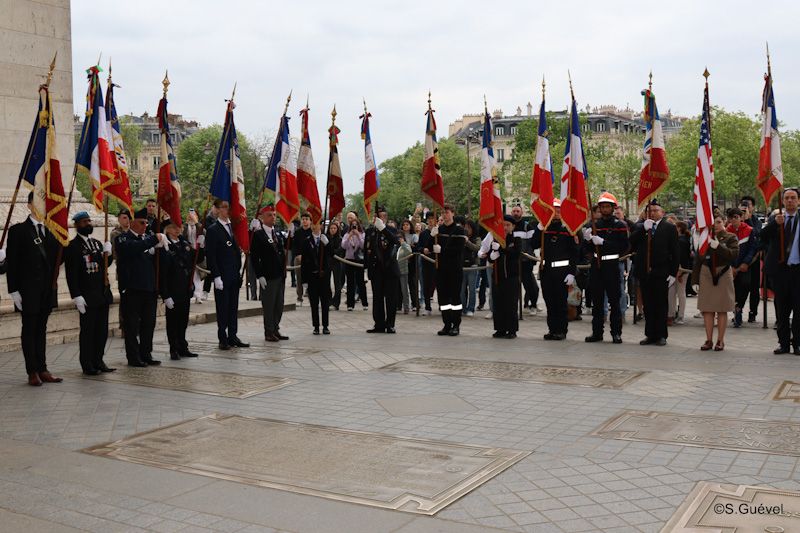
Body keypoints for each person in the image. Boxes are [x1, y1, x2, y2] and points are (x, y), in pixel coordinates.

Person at [7, 192, 64, 386]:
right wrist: (13, 290)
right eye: (38, 203)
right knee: (29, 329)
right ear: (29, 205)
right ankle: (32, 371)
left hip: (46, 290)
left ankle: (43, 368)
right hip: (27, 290)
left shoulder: (53, 231)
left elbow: (57, 260)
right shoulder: (18, 231)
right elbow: (12, 264)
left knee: (41, 329)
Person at [65, 211, 114, 375]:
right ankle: (87, 364)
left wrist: (109, 254)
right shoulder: (72, 246)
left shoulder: (97, 243)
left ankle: (98, 360)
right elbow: (71, 274)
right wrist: (76, 295)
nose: (88, 224)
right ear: (76, 225)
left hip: (102, 294)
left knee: (101, 331)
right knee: (88, 332)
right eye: (84, 222)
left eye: (89, 221)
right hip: (87, 296)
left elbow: (104, 266)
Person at [115, 208, 165, 367]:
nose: (145, 225)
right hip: (132, 289)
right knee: (131, 325)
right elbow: (132, 248)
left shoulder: (147, 239)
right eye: (142, 222)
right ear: (132, 222)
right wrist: (153, 240)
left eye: (147, 223)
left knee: (148, 324)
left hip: (149, 289)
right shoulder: (123, 238)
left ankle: (146, 353)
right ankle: (133, 356)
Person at [630, 200, 679, 346]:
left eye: (655, 210)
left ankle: (661, 335)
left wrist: (673, 273)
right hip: (645, 271)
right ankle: (650, 334)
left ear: (662, 213)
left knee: (661, 304)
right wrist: (643, 229)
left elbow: (675, 252)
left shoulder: (669, 228)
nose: (652, 213)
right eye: (649, 210)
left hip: (661, 271)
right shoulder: (641, 227)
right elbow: (631, 242)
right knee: (648, 304)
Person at [583, 192, 629, 344]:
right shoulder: (594, 225)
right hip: (597, 266)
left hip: (612, 265)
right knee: (597, 301)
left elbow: (623, 247)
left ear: (613, 208)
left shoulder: (619, 226)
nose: (604, 209)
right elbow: (585, 249)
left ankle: (616, 333)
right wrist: (588, 240)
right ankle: (597, 332)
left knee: (614, 301)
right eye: (602, 207)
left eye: (607, 206)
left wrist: (604, 243)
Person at [532, 198, 580, 340]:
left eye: (558, 210)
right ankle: (552, 329)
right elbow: (533, 244)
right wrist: (539, 228)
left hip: (562, 272)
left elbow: (574, 253)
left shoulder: (568, 230)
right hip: (546, 271)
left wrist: (572, 272)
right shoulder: (544, 229)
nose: (556, 213)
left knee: (560, 303)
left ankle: (561, 330)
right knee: (549, 301)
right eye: (553, 210)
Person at [205, 199, 249, 350]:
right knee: (222, 308)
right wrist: (216, 276)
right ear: (216, 210)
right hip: (222, 276)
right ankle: (222, 338)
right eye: (223, 207)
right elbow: (211, 256)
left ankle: (233, 335)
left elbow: (235, 252)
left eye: (227, 207)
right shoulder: (213, 230)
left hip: (233, 275)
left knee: (232, 307)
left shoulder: (232, 228)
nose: (226, 210)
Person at [761, 188, 800, 354]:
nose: (790, 201)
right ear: (783, 201)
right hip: (780, 272)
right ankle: (783, 343)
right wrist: (774, 224)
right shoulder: (776, 219)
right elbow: (761, 236)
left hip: (798, 271)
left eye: (793, 198)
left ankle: (797, 343)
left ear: (798, 201)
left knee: (798, 310)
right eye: (787, 198)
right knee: (781, 309)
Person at [692, 215, 738, 351]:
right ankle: (708, 339)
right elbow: (698, 260)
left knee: (722, 308)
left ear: (724, 222)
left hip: (723, 273)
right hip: (706, 273)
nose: (716, 225)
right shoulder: (704, 238)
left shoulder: (731, 237)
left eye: (719, 222)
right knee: (707, 308)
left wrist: (718, 247)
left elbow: (733, 254)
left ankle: (720, 340)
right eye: (713, 222)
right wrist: (694, 280)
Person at [159, 221, 201, 360]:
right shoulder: (165, 245)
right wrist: (165, 295)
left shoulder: (184, 243)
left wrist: (202, 246)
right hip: (172, 290)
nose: (178, 230)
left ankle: (183, 346)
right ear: (168, 229)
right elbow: (162, 273)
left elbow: (197, 258)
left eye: (179, 227)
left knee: (183, 321)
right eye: (174, 227)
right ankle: (174, 349)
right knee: (173, 322)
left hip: (185, 289)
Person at [251, 205, 289, 342]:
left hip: (280, 275)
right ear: (262, 217)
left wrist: (292, 235)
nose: (273, 217)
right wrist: (259, 275)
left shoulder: (277, 233)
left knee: (279, 304)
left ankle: (276, 329)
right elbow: (254, 257)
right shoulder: (258, 235)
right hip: (268, 276)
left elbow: (283, 251)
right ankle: (268, 332)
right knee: (269, 305)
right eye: (269, 215)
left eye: (274, 215)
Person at [482, 216, 520, 339]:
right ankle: (500, 328)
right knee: (498, 304)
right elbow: (488, 256)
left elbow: (515, 253)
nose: (505, 227)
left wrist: (502, 249)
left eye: (508, 225)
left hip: (511, 277)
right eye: (503, 224)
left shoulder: (516, 239)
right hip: (498, 276)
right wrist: (490, 256)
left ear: (513, 226)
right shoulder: (496, 239)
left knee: (510, 304)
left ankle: (512, 329)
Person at [432, 204, 466, 336]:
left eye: (446, 212)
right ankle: (446, 324)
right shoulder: (438, 230)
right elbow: (429, 247)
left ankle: (456, 325)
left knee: (455, 299)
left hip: (454, 269)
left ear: (452, 213)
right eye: (442, 213)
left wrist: (443, 250)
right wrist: (432, 235)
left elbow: (459, 249)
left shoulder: (459, 230)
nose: (444, 215)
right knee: (443, 299)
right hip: (441, 270)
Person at [365, 206, 400, 333]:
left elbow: (395, 241)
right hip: (376, 269)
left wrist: (383, 229)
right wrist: (367, 269)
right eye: (377, 216)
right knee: (377, 298)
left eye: (382, 216)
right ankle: (378, 324)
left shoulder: (392, 230)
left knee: (391, 298)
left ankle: (390, 324)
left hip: (390, 269)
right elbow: (367, 250)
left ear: (385, 217)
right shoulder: (370, 231)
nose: (380, 218)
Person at [301, 221, 334, 334]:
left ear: (320, 225)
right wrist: (304, 280)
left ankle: (325, 326)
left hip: (323, 276)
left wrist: (327, 244)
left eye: (317, 224)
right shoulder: (306, 241)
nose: (315, 226)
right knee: (314, 303)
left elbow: (332, 254)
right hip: (312, 276)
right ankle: (316, 326)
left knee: (325, 302)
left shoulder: (326, 239)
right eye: (313, 224)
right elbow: (304, 263)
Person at [726, 207, 755, 328]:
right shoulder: (726, 231)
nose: (733, 220)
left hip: (744, 266)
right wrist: (731, 266)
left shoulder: (749, 230)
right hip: (730, 267)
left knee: (745, 284)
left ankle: (739, 307)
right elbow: (725, 250)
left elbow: (752, 248)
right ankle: (736, 310)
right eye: (731, 218)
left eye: (736, 217)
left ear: (741, 218)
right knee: (732, 289)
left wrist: (745, 263)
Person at [511, 204, 539, 315]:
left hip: (525, 262)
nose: (515, 213)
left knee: (531, 286)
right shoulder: (508, 226)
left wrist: (527, 257)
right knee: (513, 287)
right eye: (514, 211)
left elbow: (531, 244)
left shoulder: (528, 227)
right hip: (513, 262)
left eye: (518, 211)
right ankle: (515, 307)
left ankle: (533, 305)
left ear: (521, 213)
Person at [740, 195, 763, 323]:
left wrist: (748, 219)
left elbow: (756, 235)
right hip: (739, 260)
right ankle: (738, 310)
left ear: (753, 207)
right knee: (741, 286)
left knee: (754, 288)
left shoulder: (756, 221)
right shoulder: (736, 218)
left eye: (748, 205)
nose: (745, 207)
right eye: (743, 205)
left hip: (753, 260)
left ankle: (753, 312)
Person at [342, 219, 368, 311]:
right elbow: (343, 246)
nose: (354, 226)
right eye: (352, 225)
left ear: (358, 226)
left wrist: (358, 235)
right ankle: (350, 304)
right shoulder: (346, 235)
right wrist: (349, 236)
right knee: (350, 282)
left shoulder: (363, 234)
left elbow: (363, 246)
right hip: (349, 260)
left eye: (355, 225)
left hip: (359, 260)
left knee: (360, 282)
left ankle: (365, 303)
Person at [669, 221, 692, 325]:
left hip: (680, 269)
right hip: (679, 269)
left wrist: (680, 271)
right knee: (675, 292)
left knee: (678, 293)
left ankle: (677, 315)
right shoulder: (683, 239)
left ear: (679, 228)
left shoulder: (680, 240)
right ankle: (674, 314)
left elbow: (681, 256)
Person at [182, 208, 205, 303]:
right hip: (187, 252)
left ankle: (198, 295)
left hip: (197, 252)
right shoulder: (184, 226)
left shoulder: (199, 226)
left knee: (197, 275)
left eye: (194, 214)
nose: (191, 216)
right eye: (190, 214)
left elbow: (203, 232)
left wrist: (196, 222)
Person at [418, 211, 438, 315]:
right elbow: (419, 247)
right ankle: (427, 307)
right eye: (429, 219)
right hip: (426, 262)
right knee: (426, 285)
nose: (431, 220)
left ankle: (442, 307)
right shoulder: (423, 233)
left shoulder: (440, 232)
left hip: (438, 262)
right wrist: (423, 250)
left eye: (433, 218)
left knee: (439, 285)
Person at [292, 212, 313, 306]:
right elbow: (294, 246)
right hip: (299, 259)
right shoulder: (297, 232)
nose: (304, 221)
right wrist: (298, 255)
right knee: (299, 279)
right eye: (303, 219)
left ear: (310, 221)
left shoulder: (312, 232)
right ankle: (299, 298)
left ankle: (310, 296)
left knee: (310, 279)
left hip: (310, 259)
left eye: (306, 219)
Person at [461, 220, 481, 317]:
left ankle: (471, 308)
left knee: (472, 289)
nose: (467, 229)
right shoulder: (461, 237)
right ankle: (463, 308)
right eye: (465, 227)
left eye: (469, 227)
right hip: (462, 266)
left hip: (473, 266)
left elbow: (477, 248)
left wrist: (467, 242)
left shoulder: (477, 238)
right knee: (461, 289)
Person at [400, 219, 419, 312]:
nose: (405, 226)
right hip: (402, 262)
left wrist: (407, 246)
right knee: (401, 285)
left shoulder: (414, 235)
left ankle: (415, 304)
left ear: (410, 226)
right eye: (404, 225)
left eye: (407, 224)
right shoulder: (400, 235)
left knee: (412, 284)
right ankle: (401, 304)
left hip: (412, 262)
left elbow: (415, 247)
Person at [326, 221, 345, 311]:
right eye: (331, 228)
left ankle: (336, 302)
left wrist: (332, 252)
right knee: (326, 283)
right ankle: (328, 301)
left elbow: (339, 250)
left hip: (337, 262)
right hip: (328, 262)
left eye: (334, 228)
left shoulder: (340, 239)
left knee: (338, 284)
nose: (333, 230)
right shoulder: (326, 238)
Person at [397, 234, 414, 314]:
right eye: (397, 238)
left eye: (400, 238)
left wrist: (403, 243)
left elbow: (409, 253)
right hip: (394, 271)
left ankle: (406, 307)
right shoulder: (394, 246)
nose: (399, 239)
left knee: (404, 290)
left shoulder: (406, 246)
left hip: (403, 270)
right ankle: (396, 306)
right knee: (395, 290)